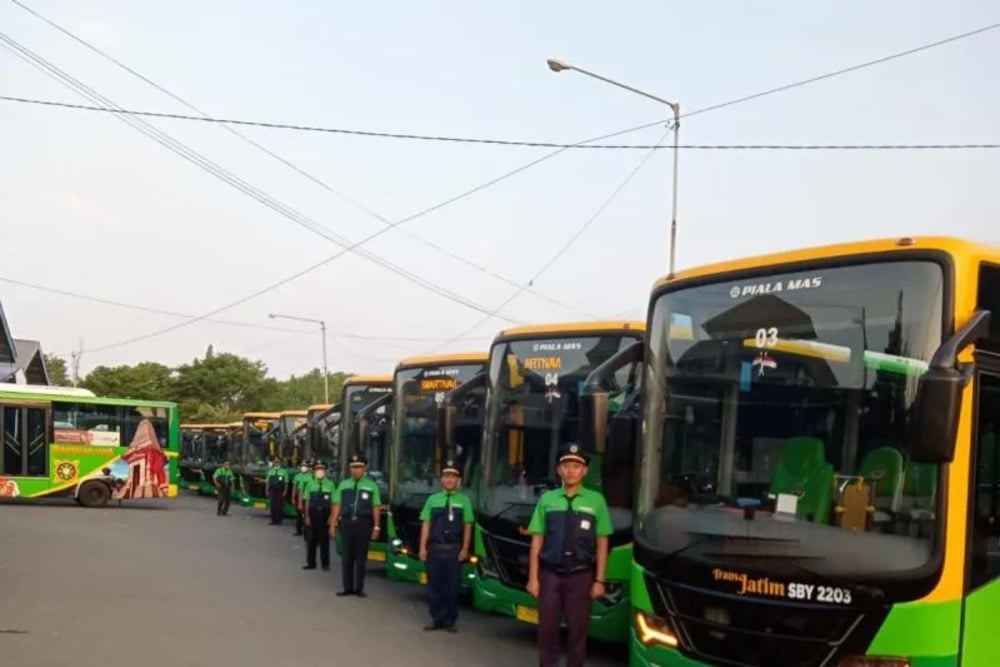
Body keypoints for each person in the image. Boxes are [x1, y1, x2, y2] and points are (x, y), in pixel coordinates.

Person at [527, 443, 612, 667]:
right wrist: (533, 578)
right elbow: (537, 540)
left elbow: (602, 543)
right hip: (550, 575)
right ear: (559, 470)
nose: (571, 470)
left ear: (584, 471)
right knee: (547, 630)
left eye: (576, 466)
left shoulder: (596, 501)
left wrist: (599, 580)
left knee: (578, 632)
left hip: (581, 576)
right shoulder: (547, 500)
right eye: (566, 465)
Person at [419, 459, 473, 633]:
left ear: (458, 481)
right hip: (435, 549)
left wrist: (465, 548)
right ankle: (437, 619)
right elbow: (426, 524)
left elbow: (468, 525)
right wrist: (422, 547)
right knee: (434, 585)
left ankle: (450, 620)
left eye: (453, 477)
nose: (449, 480)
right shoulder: (432, 500)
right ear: (441, 480)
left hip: (454, 550)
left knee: (453, 586)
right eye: (446, 476)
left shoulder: (464, 501)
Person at [331, 454, 382, 597]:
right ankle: (347, 587)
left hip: (363, 524)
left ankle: (359, 588)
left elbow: (376, 506)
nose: (356, 470)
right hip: (346, 523)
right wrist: (332, 523)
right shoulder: (344, 484)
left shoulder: (372, 486)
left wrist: (376, 526)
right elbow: (337, 504)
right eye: (353, 467)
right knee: (346, 556)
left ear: (365, 468)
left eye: (359, 467)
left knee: (361, 558)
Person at [300, 461, 337, 571]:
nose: (319, 471)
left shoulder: (330, 484)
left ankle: (325, 564)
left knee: (324, 541)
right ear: (315, 471)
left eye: (321, 469)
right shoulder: (310, 484)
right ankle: (311, 563)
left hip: (325, 514)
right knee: (311, 540)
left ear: (325, 471)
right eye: (317, 469)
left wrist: (332, 516)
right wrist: (306, 516)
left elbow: (333, 502)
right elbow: (307, 501)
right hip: (313, 513)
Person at [291, 459, 314, 537]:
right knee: (299, 515)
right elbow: (297, 489)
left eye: (311, 467)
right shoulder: (300, 477)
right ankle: (299, 530)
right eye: (309, 466)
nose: (310, 468)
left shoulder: (314, 477)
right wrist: (294, 498)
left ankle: (308, 531)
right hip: (302, 498)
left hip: (312, 499)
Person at [266, 458, 288, 525]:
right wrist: (266, 490)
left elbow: (286, 482)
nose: (277, 463)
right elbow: (267, 482)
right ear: (273, 463)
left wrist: (285, 491)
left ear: (280, 463)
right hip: (272, 490)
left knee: (279, 506)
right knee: (273, 506)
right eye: (275, 462)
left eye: (278, 462)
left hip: (280, 490)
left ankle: (279, 521)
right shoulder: (270, 471)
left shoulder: (284, 472)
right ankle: (273, 520)